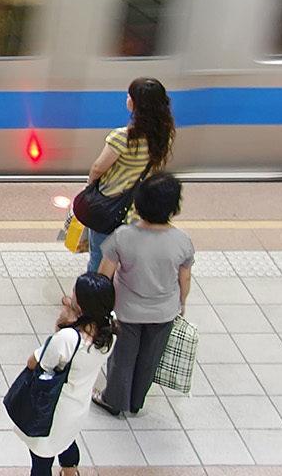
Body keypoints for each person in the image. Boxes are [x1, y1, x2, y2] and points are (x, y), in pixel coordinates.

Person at [95, 173, 193, 417]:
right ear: (174, 208)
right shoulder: (182, 241)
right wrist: (181, 303)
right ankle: (137, 401)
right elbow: (185, 278)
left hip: (128, 310)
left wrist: (99, 308)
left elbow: (104, 275)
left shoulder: (122, 237)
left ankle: (114, 400)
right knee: (149, 358)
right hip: (164, 312)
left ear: (138, 204)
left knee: (123, 358)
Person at [18, 272, 117, 476]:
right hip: (79, 404)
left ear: (80, 305)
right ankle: (71, 471)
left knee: (41, 457)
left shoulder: (68, 338)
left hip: (54, 408)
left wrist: (61, 325)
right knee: (68, 438)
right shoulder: (111, 330)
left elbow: (36, 363)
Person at [83, 77, 174, 273]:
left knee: (99, 260)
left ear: (135, 104)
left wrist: (89, 188)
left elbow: (98, 168)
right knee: (123, 260)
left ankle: (88, 302)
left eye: (129, 95)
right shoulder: (163, 136)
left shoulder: (122, 137)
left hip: (108, 207)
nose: (127, 98)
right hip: (137, 210)